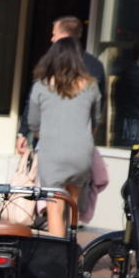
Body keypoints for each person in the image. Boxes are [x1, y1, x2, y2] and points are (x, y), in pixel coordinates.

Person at [27, 37, 101, 237]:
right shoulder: (91, 86)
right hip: (81, 153)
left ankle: (57, 260)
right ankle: (71, 249)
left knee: (54, 208)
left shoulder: (41, 86)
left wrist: (45, 134)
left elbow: (33, 122)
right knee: (73, 205)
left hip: (53, 154)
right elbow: (96, 120)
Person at [17, 15, 107, 155]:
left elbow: (33, 102)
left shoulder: (49, 63)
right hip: (79, 144)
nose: (52, 39)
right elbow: (98, 109)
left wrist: (24, 132)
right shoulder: (95, 65)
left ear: (64, 36)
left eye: (54, 35)